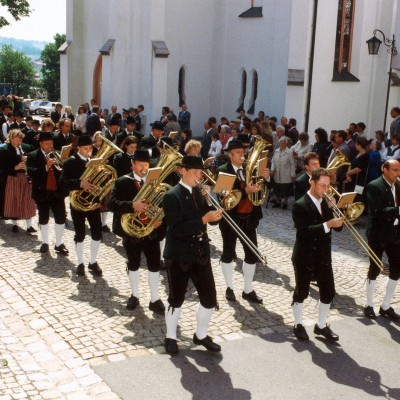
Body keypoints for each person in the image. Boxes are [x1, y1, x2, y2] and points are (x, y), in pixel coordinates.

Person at [162, 155, 222, 355]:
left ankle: (201, 335)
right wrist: (204, 219)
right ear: (183, 171)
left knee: (209, 298)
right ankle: (170, 336)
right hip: (179, 254)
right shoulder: (172, 195)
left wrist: (214, 210)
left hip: (200, 252)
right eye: (195, 173)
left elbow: (210, 220)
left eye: (200, 173)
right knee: (176, 298)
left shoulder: (199, 192)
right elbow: (177, 229)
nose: (199, 177)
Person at [109, 149, 166, 313]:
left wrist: (159, 221)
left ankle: (155, 299)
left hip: (151, 232)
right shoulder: (122, 182)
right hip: (132, 232)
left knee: (154, 265)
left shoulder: (155, 183)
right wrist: (132, 205)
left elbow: (163, 206)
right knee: (133, 264)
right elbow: (112, 204)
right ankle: (134, 295)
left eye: (146, 165)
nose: (144, 168)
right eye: (140, 164)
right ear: (132, 165)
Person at [291, 168, 344, 342]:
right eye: (322, 185)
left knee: (328, 291)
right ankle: (298, 324)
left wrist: (335, 212)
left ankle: (321, 325)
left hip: (322, 255)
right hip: (304, 256)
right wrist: (328, 223)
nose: (326, 190)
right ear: (312, 183)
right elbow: (305, 232)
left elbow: (339, 228)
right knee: (302, 292)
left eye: (328, 186)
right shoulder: (300, 204)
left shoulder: (325, 202)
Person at [218, 139, 270, 303]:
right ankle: (229, 287)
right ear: (230, 155)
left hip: (249, 218)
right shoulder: (223, 171)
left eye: (243, 152)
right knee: (228, 253)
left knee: (252, 254)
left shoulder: (251, 168)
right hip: (231, 218)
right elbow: (222, 197)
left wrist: (266, 178)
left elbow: (263, 187)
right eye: (239, 153)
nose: (243, 155)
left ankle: (248, 289)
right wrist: (244, 190)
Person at [59, 135, 103, 277]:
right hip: (77, 204)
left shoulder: (95, 162)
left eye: (90, 148)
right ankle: (80, 263)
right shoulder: (70, 162)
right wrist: (79, 183)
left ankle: (93, 261)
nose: (88, 151)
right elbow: (63, 183)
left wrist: (99, 200)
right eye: (85, 148)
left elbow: (101, 184)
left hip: (92, 204)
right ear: (78, 148)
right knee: (80, 234)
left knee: (97, 233)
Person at [364, 159, 400, 320]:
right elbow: (377, 211)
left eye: (399, 170)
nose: (398, 173)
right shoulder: (374, 185)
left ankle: (385, 306)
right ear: (385, 170)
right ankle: (369, 304)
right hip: (378, 234)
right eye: (395, 169)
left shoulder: (398, 186)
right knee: (375, 268)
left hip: (395, 233)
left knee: (396, 268)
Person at [26, 132, 69, 254]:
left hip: (56, 191)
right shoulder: (32, 155)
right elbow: (31, 173)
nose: (50, 146)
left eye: (51, 143)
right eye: (47, 144)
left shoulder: (57, 155)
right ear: (41, 144)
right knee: (43, 217)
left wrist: (64, 163)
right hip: (42, 191)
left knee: (61, 217)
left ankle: (59, 243)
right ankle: (45, 242)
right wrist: (46, 166)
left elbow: (63, 174)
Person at [1, 129, 36, 232]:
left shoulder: (27, 147)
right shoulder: (4, 150)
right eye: (16, 139)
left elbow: (34, 161)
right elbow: (2, 167)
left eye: (20, 139)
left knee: (28, 200)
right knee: (14, 200)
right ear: (11, 139)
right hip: (13, 178)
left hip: (26, 178)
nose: (19, 142)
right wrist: (14, 167)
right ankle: (15, 224)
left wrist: (28, 161)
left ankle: (29, 226)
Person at [271, 136, 296, 209]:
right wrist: (272, 169)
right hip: (277, 173)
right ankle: (278, 202)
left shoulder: (289, 152)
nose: (282, 144)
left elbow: (292, 164)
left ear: (286, 144)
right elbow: (273, 161)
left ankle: (285, 202)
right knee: (277, 188)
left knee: (286, 189)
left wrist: (293, 174)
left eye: (284, 143)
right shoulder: (276, 151)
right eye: (281, 143)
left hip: (286, 174)